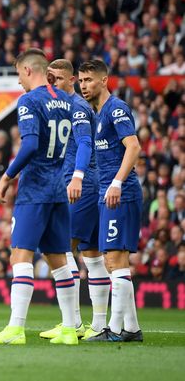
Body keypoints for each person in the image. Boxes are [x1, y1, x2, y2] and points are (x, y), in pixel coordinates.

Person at [0, 49, 78, 346]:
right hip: (59, 188)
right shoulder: (66, 101)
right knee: (59, 260)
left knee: (20, 255)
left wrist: (7, 176)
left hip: (35, 189)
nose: (19, 81)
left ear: (28, 70)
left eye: (19, 74)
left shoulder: (29, 100)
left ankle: (16, 328)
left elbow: (30, 144)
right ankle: (70, 329)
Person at [39, 59, 111, 341]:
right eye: (49, 79)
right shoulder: (61, 106)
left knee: (60, 248)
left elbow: (84, 143)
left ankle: (74, 322)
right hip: (86, 184)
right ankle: (98, 325)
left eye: (57, 79)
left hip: (80, 185)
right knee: (92, 255)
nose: (52, 83)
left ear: (71, 81)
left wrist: (78, 176)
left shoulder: (76, 106)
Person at [79, 59, 143, 342]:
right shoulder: (97, 114)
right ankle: (131, 328)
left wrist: (117, 182)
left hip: (121, 193)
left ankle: (114, 330)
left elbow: (134, 146)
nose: (83, 86)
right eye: (81, 81)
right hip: (108, 193)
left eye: (89, 80)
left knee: (116, 261)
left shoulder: (116, 109)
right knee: (112, 261)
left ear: (104, 81)